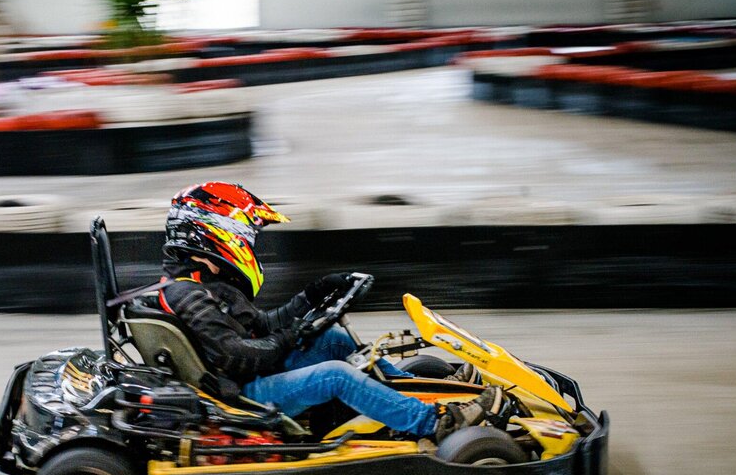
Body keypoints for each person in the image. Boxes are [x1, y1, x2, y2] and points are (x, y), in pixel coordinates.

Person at [156, 182, 502, 442]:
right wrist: (291, 336)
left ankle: (418, 392)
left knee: (332, 340)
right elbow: (236, 354)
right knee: (335, 374)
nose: (250, 244)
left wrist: (312, 295)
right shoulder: (187, 293)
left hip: (245, 375)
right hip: (242, 394)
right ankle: (435, 423)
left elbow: (260, 327)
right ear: (216, 234)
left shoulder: (201, 284)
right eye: (247, 236)